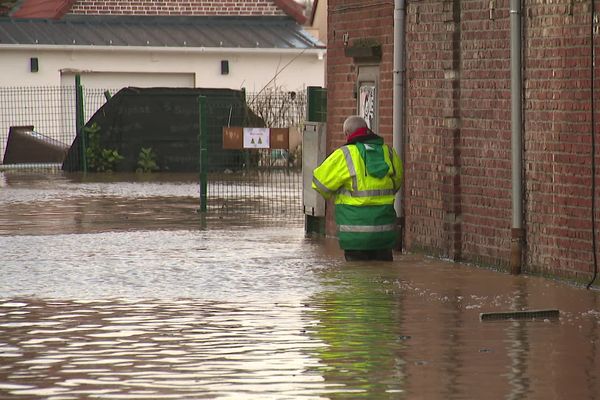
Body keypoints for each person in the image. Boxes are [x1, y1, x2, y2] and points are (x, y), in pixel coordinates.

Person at [312, 116, 403, 261]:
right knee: (384, 276)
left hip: (354, 234)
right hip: (384, 232)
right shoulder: (389, 153)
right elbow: (396, 184)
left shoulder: (344, 155)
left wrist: (335, 195)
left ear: (347, 134)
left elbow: (319, 182)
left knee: (356, 278)